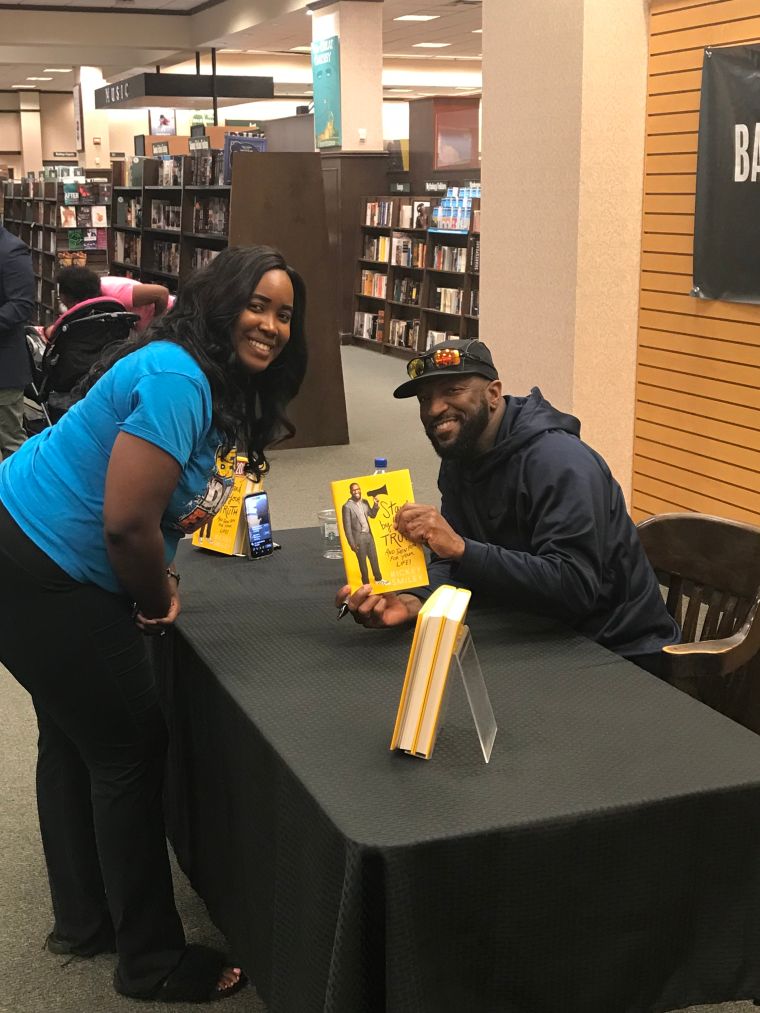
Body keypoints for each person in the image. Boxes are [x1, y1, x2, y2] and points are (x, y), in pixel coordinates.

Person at [0, 245, 307, 1002]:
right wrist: (149, 595)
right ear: (218, 301)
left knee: (74, 733)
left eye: (284, 314)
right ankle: (150, 959)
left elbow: (152, 508)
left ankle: (84, 917)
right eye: (257, 304)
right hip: (42, 564)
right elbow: (127, 523)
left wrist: (156, 564)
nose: (269, 324)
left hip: (21, 537)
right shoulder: (179, 379)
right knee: (132, 748)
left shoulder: (192, 372)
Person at [337, 339, 680, 671]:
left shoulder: (560, 463)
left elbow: (575, 587)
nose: (434, 409)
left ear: (493, 393)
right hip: (536, 631)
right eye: (425, 399)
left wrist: (461, 549)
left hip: (616, 651)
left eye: (452, 391)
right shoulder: (461, 455)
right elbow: (454, 564)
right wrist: (415, 601)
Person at [51, 265, 171, 335]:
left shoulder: (117, 292)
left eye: (70, 305)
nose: (70, 309)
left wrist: (156, 326)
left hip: (170, 317)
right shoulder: (94, 293)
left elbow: (162, 293)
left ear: (81, 298)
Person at [0, 222, 35, 458]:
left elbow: (21, 305)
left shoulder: (10, 250)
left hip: (3, 367)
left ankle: (20, 494)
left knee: (12, 443)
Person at [341, 482, 387, 586]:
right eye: (354, 490)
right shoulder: (347, 507)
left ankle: (378, 579)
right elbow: (347, 528)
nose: (356, 491)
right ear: (351, 492)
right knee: (362, 562)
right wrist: (352, 544)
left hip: (368, 536)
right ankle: (366, 584)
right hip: (358, 538)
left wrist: (375, 505)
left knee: (374, 558)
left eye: (358, 489)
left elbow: (372, 515)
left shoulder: (365, 502)